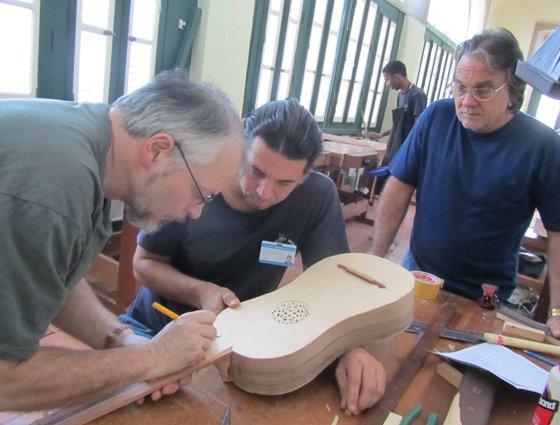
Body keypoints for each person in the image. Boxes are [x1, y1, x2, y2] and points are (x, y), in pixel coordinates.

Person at [0, 70, 244, 411]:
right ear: (158, 150)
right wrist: (148, 359)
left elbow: (56, 279)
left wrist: (124, 342)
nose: (196, 212)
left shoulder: (89, 145)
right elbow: (6, 379)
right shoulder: (56, 188)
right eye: (199, 194)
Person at [125, 98, 387, 415]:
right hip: (157, 332)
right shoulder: (199, 179)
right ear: (240, 148)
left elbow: (332, 284)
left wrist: (349, 348)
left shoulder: (315, 196)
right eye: (256, 171)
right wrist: (201, 291)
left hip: (245, 347)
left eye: (285, 183)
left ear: (305, 176)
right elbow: (143, 263)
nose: (264, 192)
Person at [367, 28, 560, 338]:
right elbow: (398, 186)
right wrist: (376, 259)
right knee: (398, 346)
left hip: (485, 294)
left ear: (513, 91)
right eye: (460, 87)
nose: (467, 101)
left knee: (458, 370)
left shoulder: (544, 147)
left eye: (483, 90)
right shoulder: (436, 118)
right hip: (418, 273)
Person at [365, 60, 427, 167]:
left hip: (407, 149)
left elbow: (419, 128)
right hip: (396, 145)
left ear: (398, 75)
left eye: (388, 80)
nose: (387, 84)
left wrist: (408, 151)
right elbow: (398, 125)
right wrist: (380, 135)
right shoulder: (400, 95)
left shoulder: (417, 95)